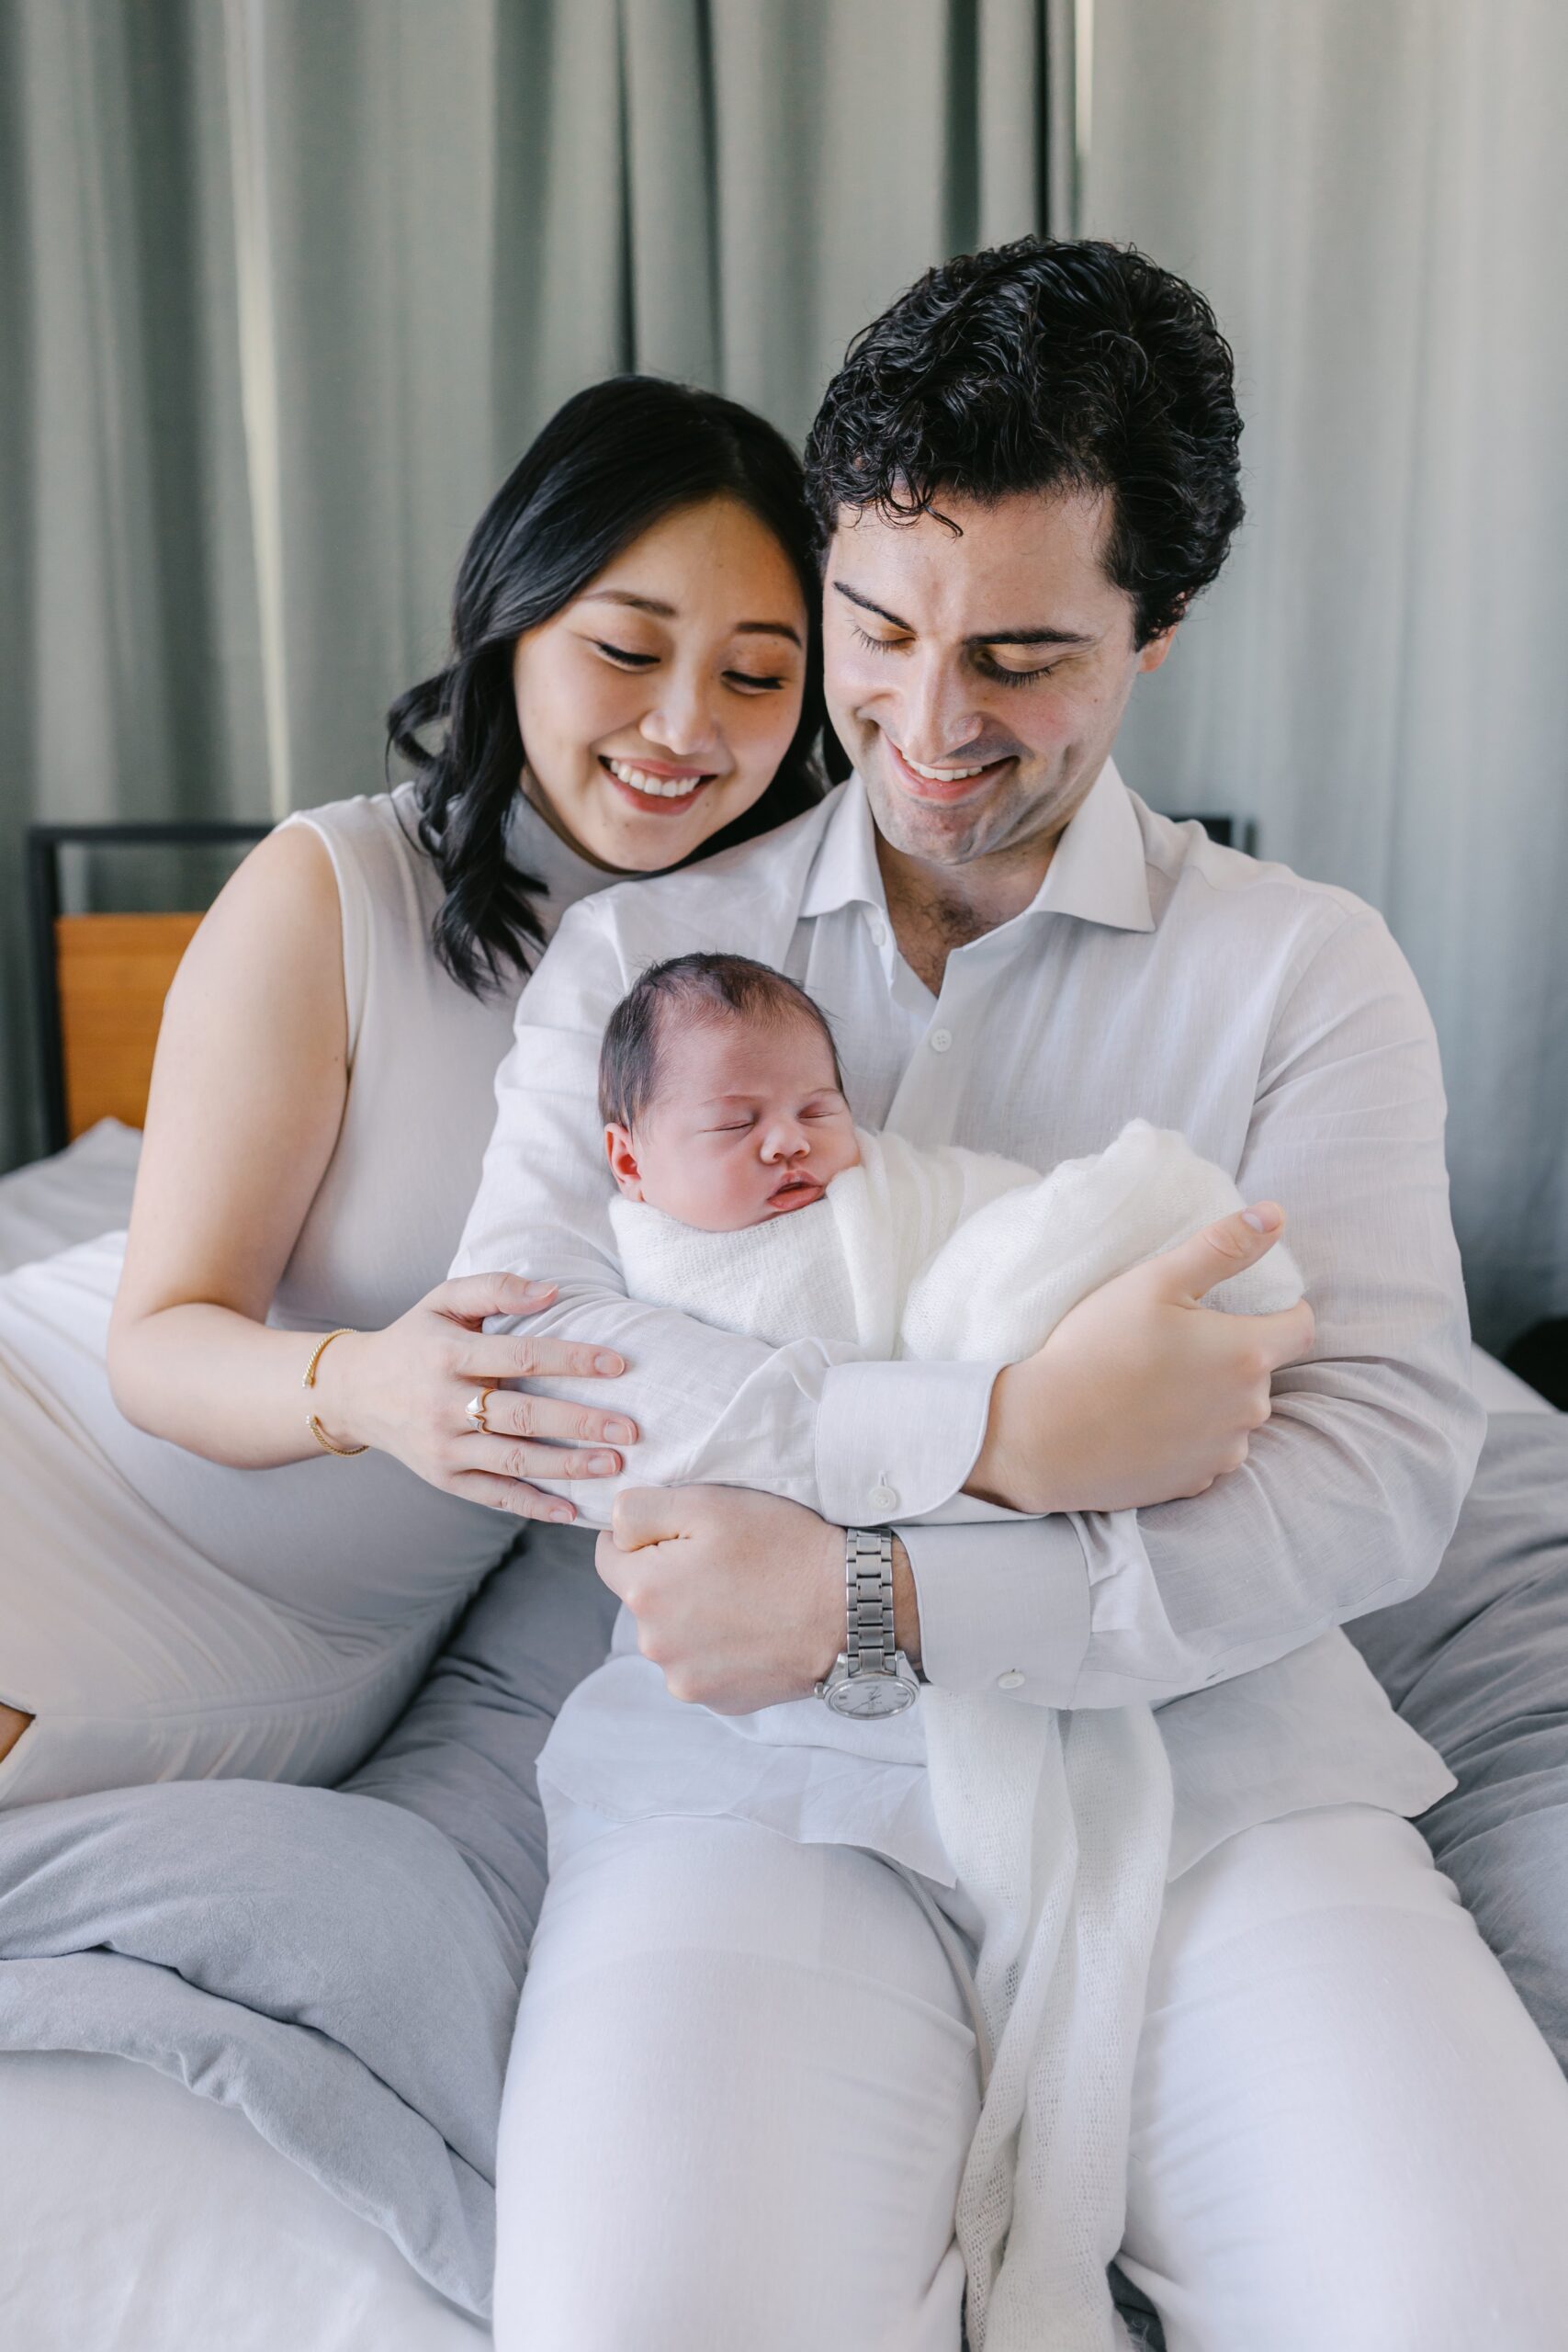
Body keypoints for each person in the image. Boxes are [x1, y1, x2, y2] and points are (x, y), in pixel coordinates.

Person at [454, 243, 1568, 2349]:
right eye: (874, 626)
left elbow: (1369, 1484)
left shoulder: (1301, 973)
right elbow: (525, 1343)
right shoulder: (633, 970)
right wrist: (986, 1442)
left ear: (1155, 635)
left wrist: (867, 1590)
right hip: (752, 1778)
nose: (927, 721)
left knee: (1476, 2304)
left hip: (1214, 1774)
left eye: (1025, 654)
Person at [0, 374, 827, 1807]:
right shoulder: (335, 889)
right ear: (513, 626)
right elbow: (156, 1341)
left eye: (756, 676)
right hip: (65, 1437)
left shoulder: (792, 977)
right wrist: (373, 1384)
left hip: (278, 1620)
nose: (686, 725)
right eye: (627, 649)